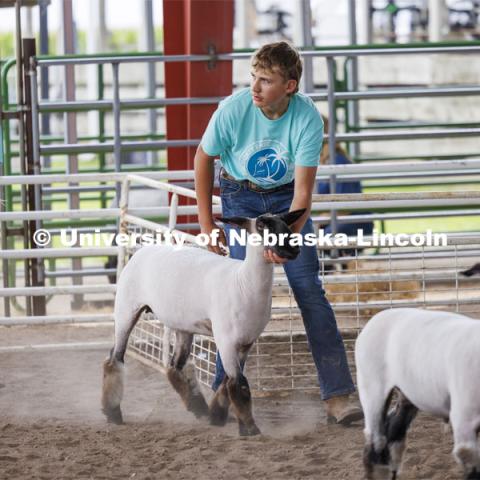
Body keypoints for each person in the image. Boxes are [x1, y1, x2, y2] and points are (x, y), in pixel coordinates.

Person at [194, 41, 362, 425]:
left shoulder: (306, 118)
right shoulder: (233, 110)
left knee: (309, 291)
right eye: (253, 77)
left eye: (265, 80)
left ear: (289, 86)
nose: (254, 87)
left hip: (287, 201)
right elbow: (203, 158)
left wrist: (284, 240)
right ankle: (224, 392)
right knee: (236, 299)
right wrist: (207, 225)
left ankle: (337, 397)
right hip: (240, 196)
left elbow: (303, 194)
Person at [317, 116, 374, 267]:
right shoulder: (324, 161)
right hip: (337, 220)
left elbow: (345, 207)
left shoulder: (337, 162)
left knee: (315, 238)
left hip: (351, 221)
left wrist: (316, 222)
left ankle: (333, 274)